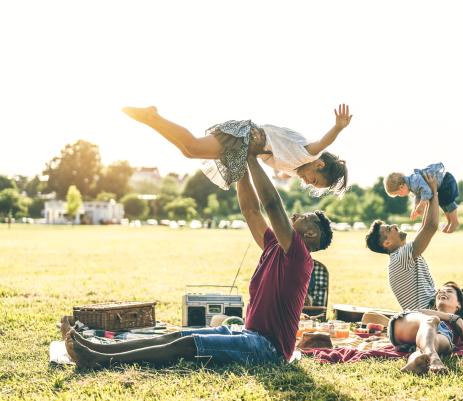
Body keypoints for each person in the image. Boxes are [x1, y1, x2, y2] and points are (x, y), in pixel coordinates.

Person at [63, 143, 334, 369]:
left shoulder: (300, 257)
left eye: (304, 219)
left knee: (185, 346)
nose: (296, 216)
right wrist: (239, 164)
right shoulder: (275, 245)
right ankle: (99, 347)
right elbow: (252, 211)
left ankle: (99, 360)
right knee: (177, 334)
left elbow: (273, 206)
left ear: (311, 235)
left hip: (268, 349)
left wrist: (252, 158)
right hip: (247, 334)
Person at [122, 104, 352, 195]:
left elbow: (281, 168)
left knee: (189, 151)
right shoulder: (309, 153)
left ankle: (152, 120)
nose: (309, 182)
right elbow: (324, 143)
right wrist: (338, 128)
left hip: (243, 147)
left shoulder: (296, 167)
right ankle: (152, 116)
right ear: (320, 164)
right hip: (243, 137)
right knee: (192, 145)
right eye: (315, 180)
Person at [365, 173, 463, 314]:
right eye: (390, 229)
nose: (395, 225)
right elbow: (431, 227)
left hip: (436, 302)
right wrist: (434, 192)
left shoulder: (402, 254)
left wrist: (426, 196)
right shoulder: (400, 257)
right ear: (387, 243)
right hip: (433, 311)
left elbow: (424, 226)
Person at [389, 282, 463, 374]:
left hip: (440, 336)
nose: (442, 293)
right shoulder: (428, 313)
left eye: (449, 291)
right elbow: (418, 312)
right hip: (407, 326)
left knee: (435, 343)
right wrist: (453, 318)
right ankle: (433, 356)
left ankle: (414, 363)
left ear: (459, 304)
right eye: (440, 291)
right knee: (431, 320)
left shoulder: (459, 330)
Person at [384, 162, 459, 233]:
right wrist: (416, 207)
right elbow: (418, 196)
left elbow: (427, 191)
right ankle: (450, 221)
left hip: (446, 181)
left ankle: (454, 222)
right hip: (441, 185)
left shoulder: (414, 181)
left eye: (398, 194)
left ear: (401, 187)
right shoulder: (412, 185)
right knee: (443, 204)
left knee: (448, 202)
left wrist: (422, 204)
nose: (400, 196)